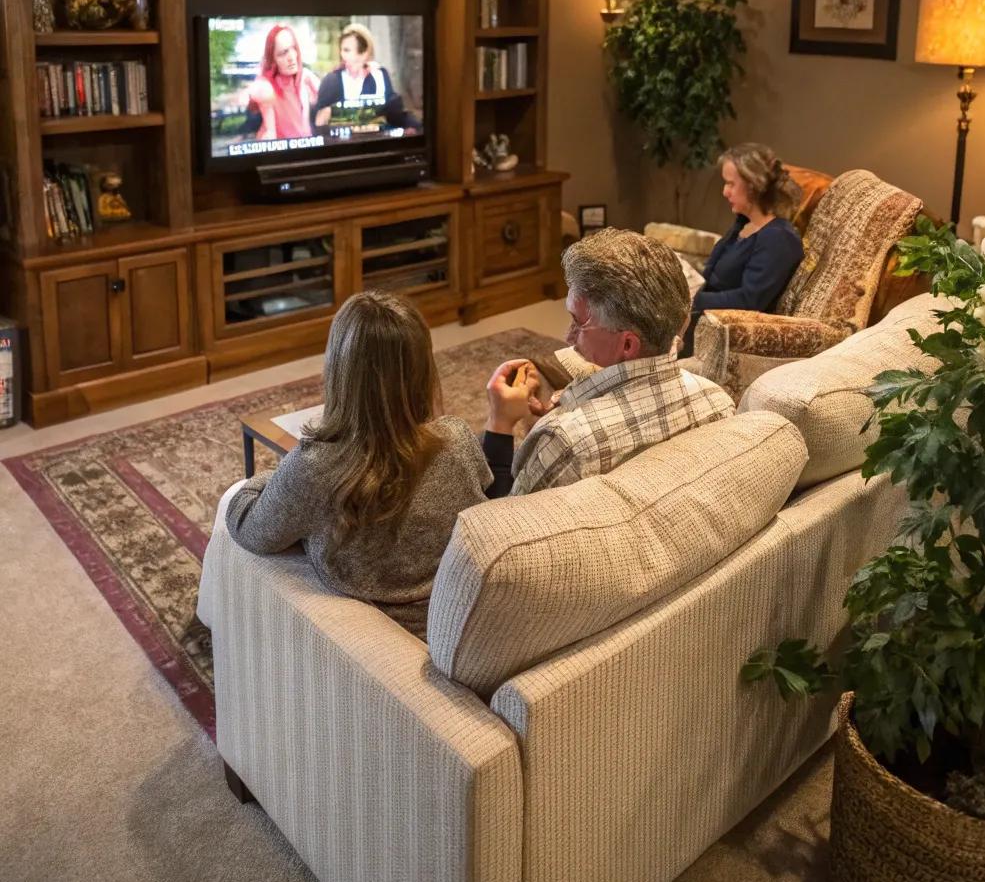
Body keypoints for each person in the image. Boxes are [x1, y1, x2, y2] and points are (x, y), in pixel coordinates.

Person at [225, 292, 491, 638]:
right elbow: (484, 488)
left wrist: (274, 478)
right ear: (423, 369)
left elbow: (248, 527)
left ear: (338, 369)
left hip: (391, 639)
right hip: (459, 617)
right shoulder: (456, 438)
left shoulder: (314, 468)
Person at [481, 227, 735, 496]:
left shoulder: (565, 445)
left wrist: (500, 423)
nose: (568, 336)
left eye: (579, 322)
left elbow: (498, 525)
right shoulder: (717, 402)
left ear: (627, 344)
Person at [681, 143, 804, 356]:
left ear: (753, 186)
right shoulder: (744, 223)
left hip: (721, 334)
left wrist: (691, 298)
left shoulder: (779, 238)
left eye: (730, 184)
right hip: (696, 318)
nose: (724, 191)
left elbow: (749, 300)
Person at [313, 23, 409, 129]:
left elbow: (395, 116)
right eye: (343, 50)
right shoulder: (332, 81)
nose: (343, 55)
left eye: (347, 50)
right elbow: (319, 123)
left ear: (365, 53)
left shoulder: (380, 75)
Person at [247, 23, 319, 142]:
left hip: (307, 150)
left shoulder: (304, 77)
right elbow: (270, 133)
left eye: (293, 48)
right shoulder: (267, 86)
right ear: (273, 59)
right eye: (283, 53)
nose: (291, 57)